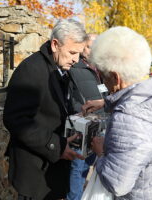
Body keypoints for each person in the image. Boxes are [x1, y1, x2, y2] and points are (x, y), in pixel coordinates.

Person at [82, 26, 152, 199]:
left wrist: (100, 152)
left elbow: (118, 184)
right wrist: (105, 102)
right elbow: (133, 97)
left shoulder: (128, 119)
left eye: (102, 76)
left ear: (115, 77)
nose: (102, 81)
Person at [3, 19, 87, 200]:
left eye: (79, 54)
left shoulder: (58, 66)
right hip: (34, 173)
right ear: (55, 44)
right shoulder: (31, 69)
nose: (76, 59)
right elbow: (16, 120)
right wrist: (56, 145)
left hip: (50, 169)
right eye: (72, 52)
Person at [67, 34, 104, 200]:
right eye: (89, 46)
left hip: (100, 126)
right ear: (83, 48)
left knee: (88, 166)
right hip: (82, 127)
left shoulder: (101, 69)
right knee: (77, 167)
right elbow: (70, 97)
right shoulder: (74, 68)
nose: (92, 50)